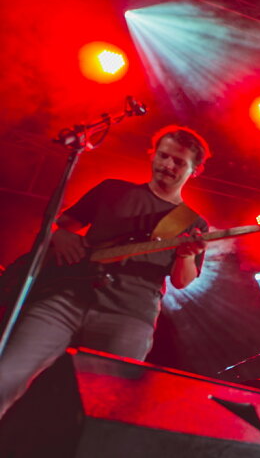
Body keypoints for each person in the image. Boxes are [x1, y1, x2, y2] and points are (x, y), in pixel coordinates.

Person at [0, 125, 211, 421]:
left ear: (195, 170)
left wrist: (185, 256)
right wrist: (60, 235)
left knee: (102, 410)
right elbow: (57, 225)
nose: (167, 165)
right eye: (163, 156)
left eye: (178, 162)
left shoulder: (192, 222)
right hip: (65, 300)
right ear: (153, 154)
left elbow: (182, 280)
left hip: (128, 316)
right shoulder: (112, 189)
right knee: (6, 376)